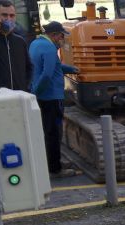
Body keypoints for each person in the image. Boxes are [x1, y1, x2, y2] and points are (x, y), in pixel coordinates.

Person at [29, 21, 80, 177]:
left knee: (46, 131)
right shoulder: (50, 49)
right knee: (54, 133)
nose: (62, 39)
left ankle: (52, 161)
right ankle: (55, 169)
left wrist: (72, 69)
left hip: (42, 96)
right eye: (61, 36)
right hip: (52, 97)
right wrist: (37, 93)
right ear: (54, 35)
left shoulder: (35, 44)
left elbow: (52, 67)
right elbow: (47, 74)